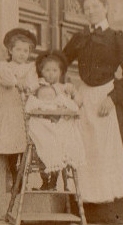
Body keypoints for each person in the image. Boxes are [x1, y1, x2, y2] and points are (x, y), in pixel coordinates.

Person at [63, 0, 123, 223]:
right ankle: (86, 211)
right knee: (87, 152)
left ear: (105, 7)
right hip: (85, 99)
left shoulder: (117, 37)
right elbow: (59, 62)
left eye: (94, 6)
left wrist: (112, 98)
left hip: (106, 100)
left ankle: (113, 211)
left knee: (107, 152)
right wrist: (66, 87)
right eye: (86, 8)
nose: (90, 11)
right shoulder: (79, 38)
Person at [26, 51, 86, 191]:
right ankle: (45, 180)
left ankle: (54, 179)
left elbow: (78, 104)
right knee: (43, 143)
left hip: (60, 127)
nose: (51, 74)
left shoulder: (64, 88)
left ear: (61, 71)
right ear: (41, 71)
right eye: (47, 70)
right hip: (44, 127)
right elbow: (31, 104)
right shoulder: (39, 87)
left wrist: (74, 93)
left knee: (61, 143)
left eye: (54, 70)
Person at [0, 27, 39, 187]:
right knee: (11, 144)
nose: (22, 53)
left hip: (23, 112)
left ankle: (21, 175)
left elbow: (33, 85)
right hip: (10, 111)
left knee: (23, 145)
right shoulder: (3, 66)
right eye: (18, 49)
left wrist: (28, 85)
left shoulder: (30, 68)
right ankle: (13, 172)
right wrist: (18, 82)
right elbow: (7, 80)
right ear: (10, 50)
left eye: (26, 50)